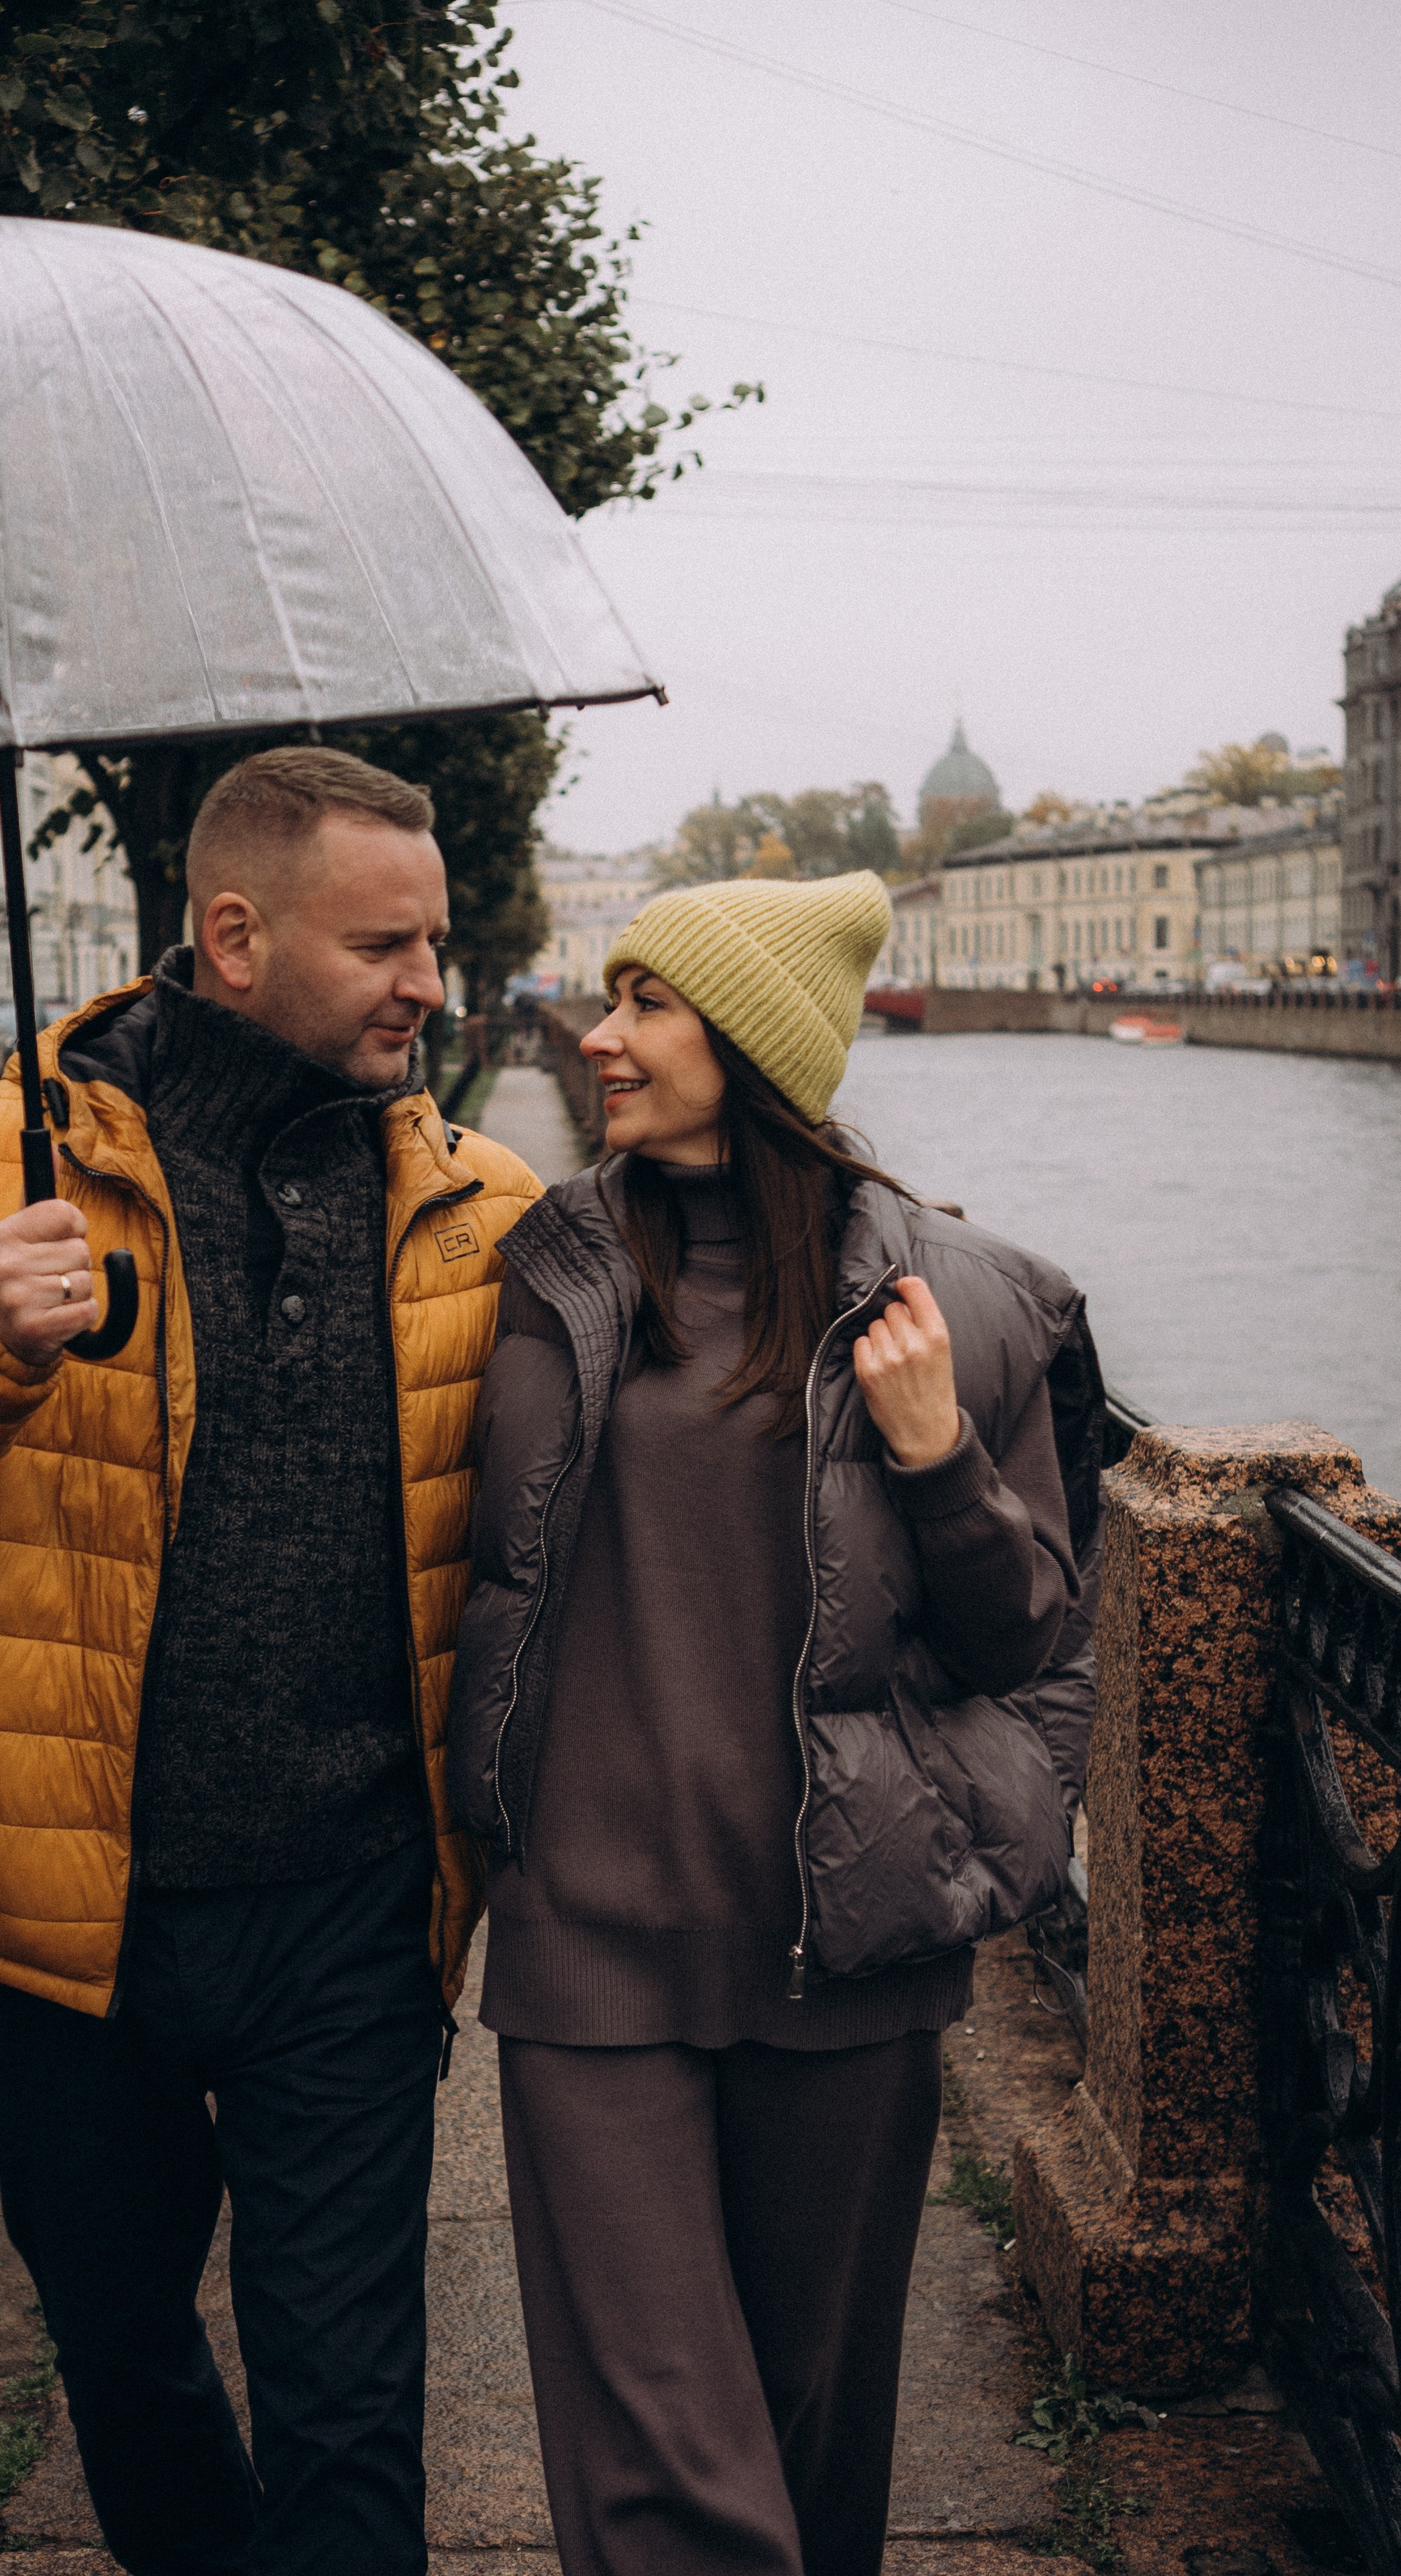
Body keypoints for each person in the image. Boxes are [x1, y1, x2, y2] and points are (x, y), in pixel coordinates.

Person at [0, 747, 542, 2576]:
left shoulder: (482, 1208)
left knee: (351, 2415)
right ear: (234, 933)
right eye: (387, 945)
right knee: (121, 2356)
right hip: (61, 1911)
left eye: (434, 940)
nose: (433, 982)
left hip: (351, 1913)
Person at [447, 870, 1103, 2576]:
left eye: (648, 1004)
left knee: (814, 2457)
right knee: (673, 2487)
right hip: (592, 1955)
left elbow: (1027, 1631)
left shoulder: (955, 1301)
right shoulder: (542, 1269)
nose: (598, 1036)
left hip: (842, 1952)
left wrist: (937, 1456)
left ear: (752, 1044)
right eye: (608, 997)